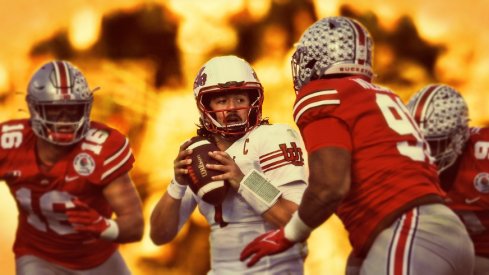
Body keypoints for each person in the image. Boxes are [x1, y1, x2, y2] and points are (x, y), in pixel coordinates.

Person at [239, 16, 475, 274]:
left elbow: (327, 188)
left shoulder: (324, 94)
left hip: (406, 229)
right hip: (444, 231)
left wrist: (287, 232)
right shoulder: (382, 96)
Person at [150, 55, 308, 274]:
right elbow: (160, 235)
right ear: (205, 106)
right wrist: (176, 184)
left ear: (253, 101)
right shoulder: (199, 153)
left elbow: (297, 222)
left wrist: (245, 181)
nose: (232, 108)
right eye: (222, 101)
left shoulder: (274, 137)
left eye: (240, 99)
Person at [0, 60, 144, 274]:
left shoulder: (102, 148)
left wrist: (104, 226)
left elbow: (134, 226)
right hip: (39, 257)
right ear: (34, 109)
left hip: (98, 259)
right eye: (55, 111)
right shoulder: (10, 142)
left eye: (72, 110)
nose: (65, 120)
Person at [408, 83, 487, 275]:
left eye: (435, 144)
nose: (425, 152)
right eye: (419, 142)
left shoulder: (482, 157)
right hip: (440, 253)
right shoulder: (400, 157)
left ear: (460, 137)